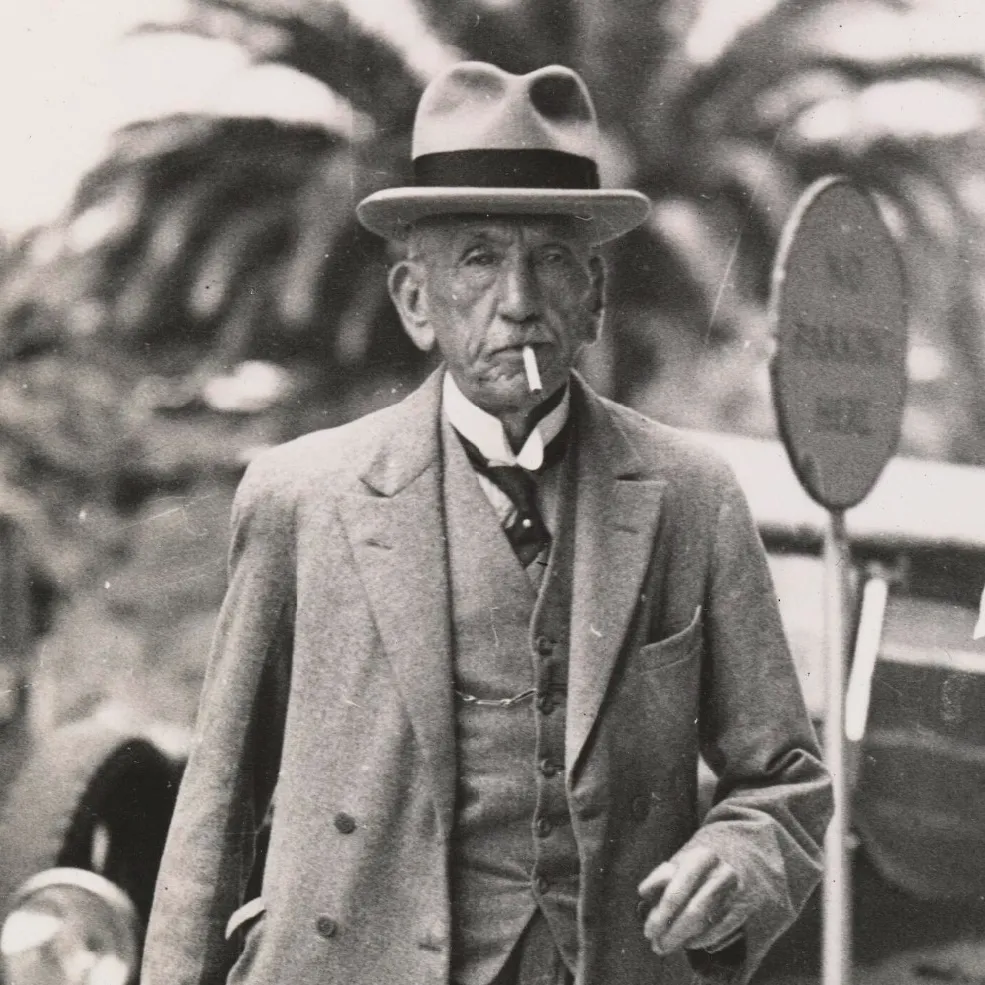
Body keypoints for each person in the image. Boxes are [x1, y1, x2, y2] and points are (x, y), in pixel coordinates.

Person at [142, 61, 832, 985]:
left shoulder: (690, 496)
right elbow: (216, 804)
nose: (518, 301)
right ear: (415, 302)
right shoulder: (301, 498)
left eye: (550, 258)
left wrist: (739, 860)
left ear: (591, 296)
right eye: (477, 258)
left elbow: (785, 781)